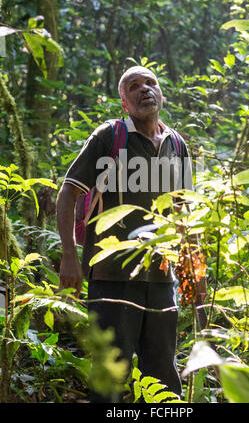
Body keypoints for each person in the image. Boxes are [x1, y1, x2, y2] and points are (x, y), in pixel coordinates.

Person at [57, 65, 193, 403]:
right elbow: (67, 193)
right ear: (124, 102)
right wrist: (70, 258)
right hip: (111, 275)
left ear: (161, 92)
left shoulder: (177, 145)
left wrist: (194, 269)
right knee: (110, 378)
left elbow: (183, 214)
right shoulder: (109, 136)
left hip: (163, 278)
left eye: (151, 83)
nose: (145, 89)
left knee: (163, 376)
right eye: (134, 86)